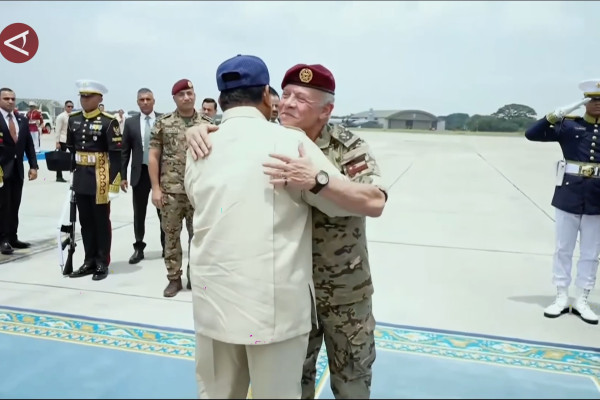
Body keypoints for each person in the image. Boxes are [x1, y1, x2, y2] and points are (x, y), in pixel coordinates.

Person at [185, 63, 387, 399]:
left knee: (352, 380)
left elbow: (375, 201)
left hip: (342, 289)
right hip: (289, 294)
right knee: (295, 384)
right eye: (287, 94)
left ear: (326, 110)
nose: (288, 103)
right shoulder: (274, 139)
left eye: (302, 99)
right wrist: (197, 130)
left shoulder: (346, 145)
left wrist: (318, 180)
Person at [525, 79, 600, 325]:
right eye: (593, 100)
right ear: (585, 102)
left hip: (597, 197)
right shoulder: (569, 126)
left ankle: (582, 299)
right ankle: (561, 296)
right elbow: (532, 134)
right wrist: (554, 115)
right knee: (563, 249)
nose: (598, 104)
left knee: (591, 253)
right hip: (569, 195)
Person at [148, 79, 211, 297]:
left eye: (190, 93)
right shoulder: (163, 123)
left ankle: (196, 277)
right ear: (174, 98)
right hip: (171, 192)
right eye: (182, 94)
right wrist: (156, 188)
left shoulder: (206, 123)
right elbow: (153, 156)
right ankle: (174, 278)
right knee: (171, 238)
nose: (187, 97)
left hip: (198, 192)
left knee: (199, 238)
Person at [66, 79, 122, 281]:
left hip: (101, 177)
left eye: (89, 96)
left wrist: (114, 184)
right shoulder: (73, 119)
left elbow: (116, 155)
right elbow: (71, 148)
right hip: (81, 177)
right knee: (85, 222)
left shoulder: (109, 121)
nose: (84, 100)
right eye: (82, 96)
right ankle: (88, 260)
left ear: (99, 98)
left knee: (101, 222)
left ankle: (101, 262)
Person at [121, 88, 165, 264]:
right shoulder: (130, 123)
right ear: (137, 102)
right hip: (139, 174)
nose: (145, 102)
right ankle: (138, 247)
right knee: (139, 213)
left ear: (154, 101)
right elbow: (125, 151)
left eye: (148, 99)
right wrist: (123, 176)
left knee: (164, 213)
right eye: (142, 100)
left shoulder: (163, 120)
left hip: (160, 174)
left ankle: (167, 247)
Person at [0, 88, 38, 255]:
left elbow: (29, 145)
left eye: (13, 98)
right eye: (6, 98)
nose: (10, 101)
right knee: (3, 205)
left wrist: (33, 166)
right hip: (1, 170)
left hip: (17, 170)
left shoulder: (21, 119)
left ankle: (12, 236)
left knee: (14, 204)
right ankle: (3, 239)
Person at [54, 100, 74, 183]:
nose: (70, 108)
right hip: (62, 140)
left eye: (71, 107)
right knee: (60, 159)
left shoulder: (72, 116)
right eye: (68, 106)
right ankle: (59, 176)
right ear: (65, 107)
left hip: (70, 140)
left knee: (73, 158)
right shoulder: (61, 116)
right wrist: (57, 142)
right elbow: (57, 130)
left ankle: (73, 174)